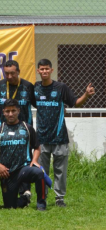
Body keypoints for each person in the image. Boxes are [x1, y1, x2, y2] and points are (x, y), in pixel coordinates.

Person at [35, 59, 95, 207]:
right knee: (41, 170)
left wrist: (86, 95)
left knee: (60, 170)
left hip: (59, 136)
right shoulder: (35, 88)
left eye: (47, 69)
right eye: (41, 69)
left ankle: (59, 198)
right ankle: (42, 197)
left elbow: (75, 103)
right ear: (38, 71)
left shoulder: (61, 87)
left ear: (51, 70)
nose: (44, 71)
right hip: (41, 137)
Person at [0, 99, 47, 211]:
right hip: (7, 172)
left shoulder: (27, 128)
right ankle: (24, 199)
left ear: (18, 111)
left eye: (13, 111)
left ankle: (41, 204)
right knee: (10, 206)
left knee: (39, 173)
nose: (10, 114)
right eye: (7, 111)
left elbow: (37, 147)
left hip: (25, 168)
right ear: (3, 112)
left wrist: (34, 160)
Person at [0, 60, 35, 125]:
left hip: (25, 129)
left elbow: (38, 105)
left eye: (12, 73)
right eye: (6, 73)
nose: (9, 76)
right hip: (4, 130)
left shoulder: (28, 86)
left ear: (18, 72)